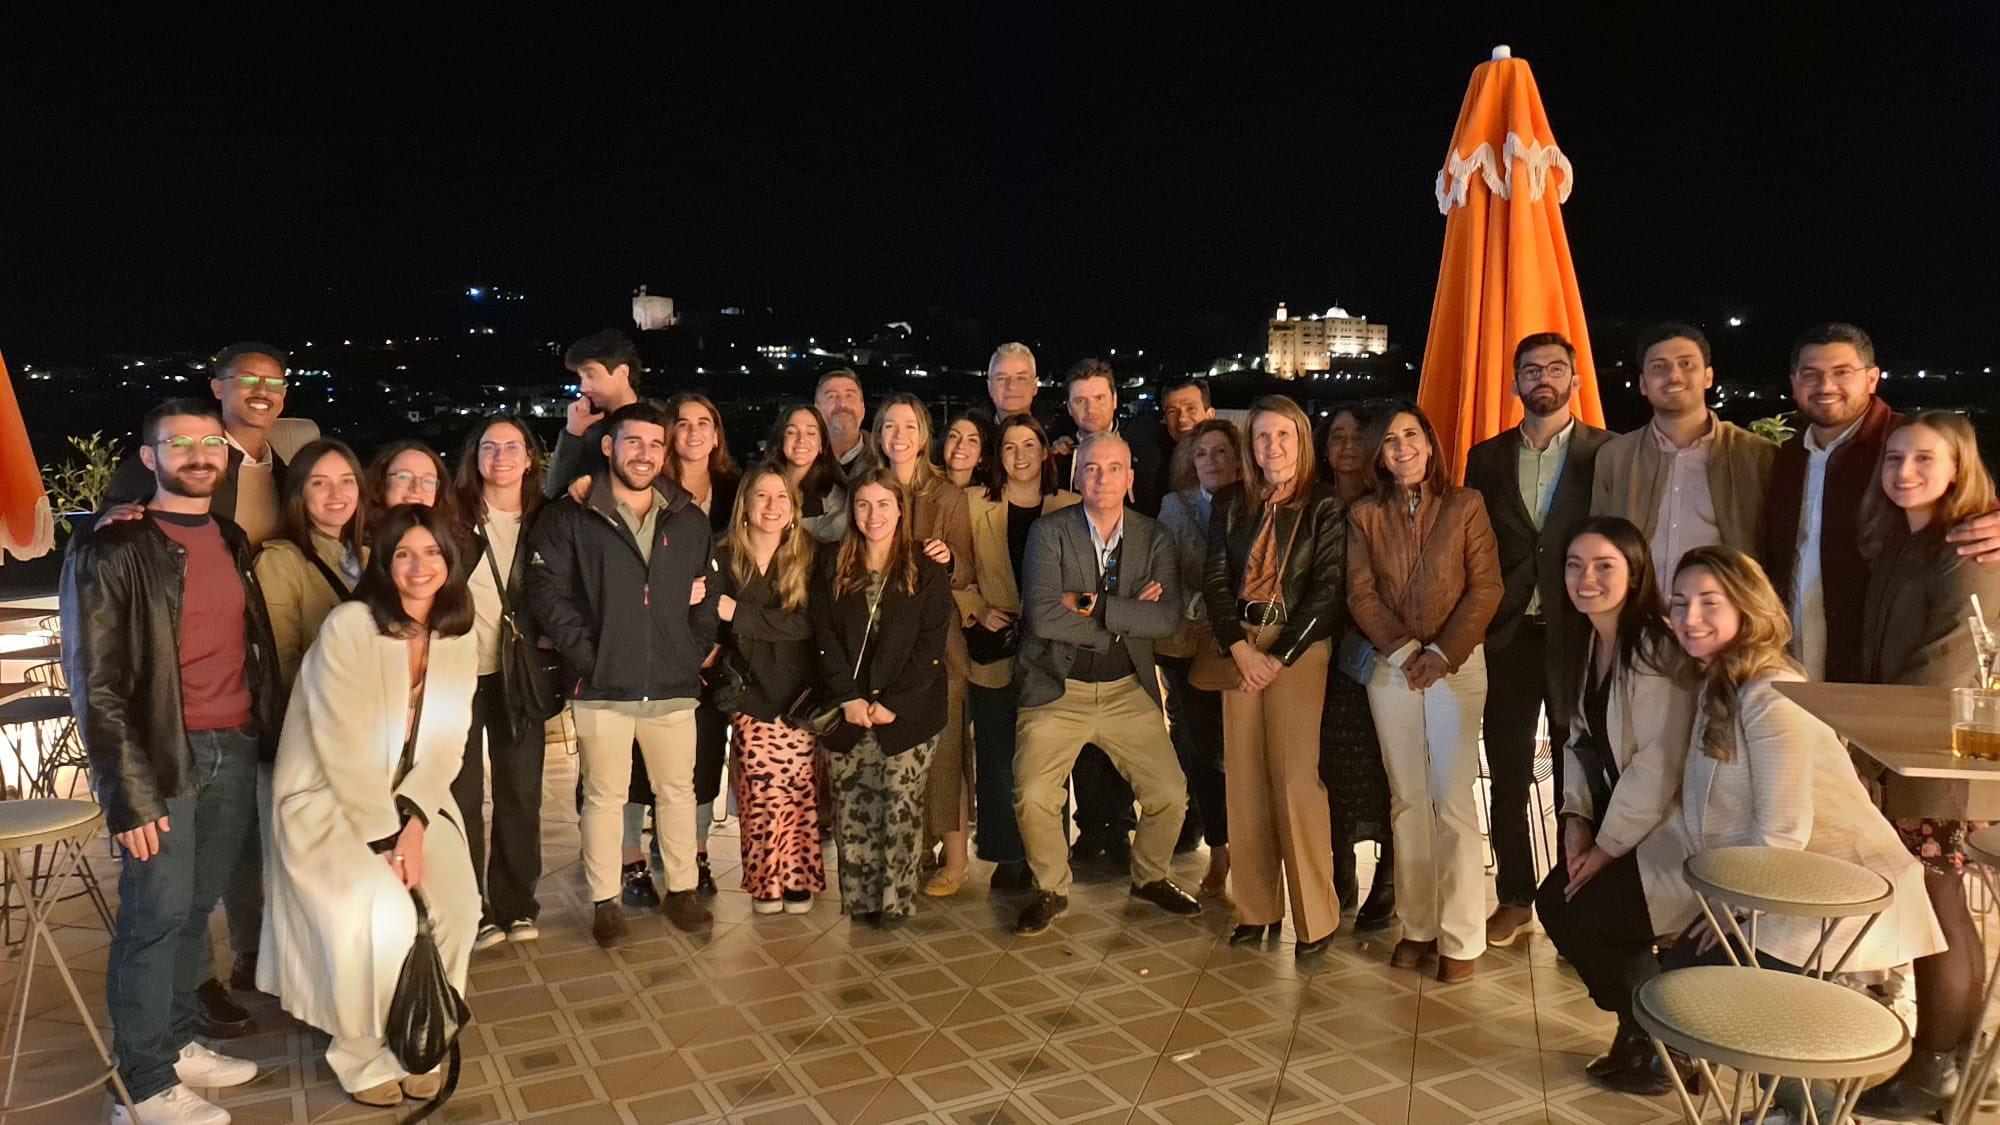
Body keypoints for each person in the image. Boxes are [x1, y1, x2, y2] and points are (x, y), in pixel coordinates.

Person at [63, 398, 280, 1125]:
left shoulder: (228, 536)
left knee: (193, 908)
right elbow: (94, 681)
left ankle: (178, 1040)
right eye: (178, 443)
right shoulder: (113, 546)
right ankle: (139, 1085)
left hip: (233, 742)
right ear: (149, 458)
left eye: (209, 443)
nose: (198, 454)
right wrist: (126, 793)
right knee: (153, 916)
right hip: (161, 755)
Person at [259, 505, 481, 1108]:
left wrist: (416, 824)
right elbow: (343, 746)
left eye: (431, 552)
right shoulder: (350, 627)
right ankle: (358, 1050)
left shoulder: (457, 632)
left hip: (413, 800)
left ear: (449, 560)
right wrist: (388, 837)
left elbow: (448, 741)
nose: (419, 566)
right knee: (381, 914)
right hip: (330, 799)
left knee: (459, 905)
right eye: (403, 554)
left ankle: (422, 1035)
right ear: (383, 564)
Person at [525, 402, 721, 945]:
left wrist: (692, 651)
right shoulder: (571, 516)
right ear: (609, 446)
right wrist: (590, 656)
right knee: (605, 797)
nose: (645, 454)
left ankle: (681, 890)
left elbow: (710, 592)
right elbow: (546, 591)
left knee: (677, 792)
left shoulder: (687, 518)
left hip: (671, 683)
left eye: (655, 444)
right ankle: (605, 900)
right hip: (602, 686)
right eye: (633, 442)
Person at [1852, 413, 2000, 1117]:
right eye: (1894, 458)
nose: (1904, 471)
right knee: (1937, 901)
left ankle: (1937, 1066)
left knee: (1939, 907)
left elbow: (1948, 667)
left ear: (1959, 467)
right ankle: (1955, 1059)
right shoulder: (1906, 543)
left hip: (1937, 755)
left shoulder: (1968, 551)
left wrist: (1862, 742)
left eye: (1924, 459)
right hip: (1909, 753)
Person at [1531, 518, 1700, 1095]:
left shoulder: (1653, 647)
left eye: (1605, 566)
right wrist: (1576, 822)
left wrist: (1605, 848)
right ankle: (1649, 1033)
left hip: (1667, 833)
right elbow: (1577, 740)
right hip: (1618, 825)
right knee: (1563, 902)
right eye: (1575, 565)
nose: (1587, 578)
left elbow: (1658, 765)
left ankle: (1663, 1035)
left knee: (1577, 908)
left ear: (1635, 573)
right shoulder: (1588, 642)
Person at [1011, 432, 1201, 935]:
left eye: (1114, 468)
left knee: (1170, 793)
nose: (1102, 478)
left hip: (1125, 689)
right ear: (1077, 476)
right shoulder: (1049, 533)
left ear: (1130, 478)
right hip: (1058, 688)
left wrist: (1091, 604)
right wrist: (1125, 617)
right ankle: (1051, 889)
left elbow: (1166, 620)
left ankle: (1150, 876)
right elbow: (1043, 617)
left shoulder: (1154, 537)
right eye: (1092, 468)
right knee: (1033, 794)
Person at [1463, 332, 1614, 948]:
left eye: (1555, 369)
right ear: (1515, 383)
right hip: (1508, 635)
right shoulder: (1486, 458)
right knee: (1507, 771)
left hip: (1580, 635)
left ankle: (1579, 901)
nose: (1543, 378)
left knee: (1582, 769)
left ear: (1575, 380)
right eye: (1531, 370)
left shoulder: (1607, 453)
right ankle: (1515, 897)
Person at [1347, 404, 1503, 982]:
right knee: (1407, 798)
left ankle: (1461, 937)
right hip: (1393, 668)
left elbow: (1486, 588)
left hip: (1456, 665)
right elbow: (1361, 594)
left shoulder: (1466, 505)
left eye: (1411, 435)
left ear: (1431, 444)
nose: (1402, 448)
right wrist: (1406, 651)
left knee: (1452, 799)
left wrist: (1439, 654)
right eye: (1389, 440)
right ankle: (1418, 926)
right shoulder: (1364, 515)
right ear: (1379, 455)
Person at [218, 439, 367, 1011]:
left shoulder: (368, 554)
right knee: (293, 867)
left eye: (346, 481)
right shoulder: (281, 559)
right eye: (319, 483)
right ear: (298, 495)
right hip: (302, 739)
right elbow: (279, 661)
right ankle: (296, 983)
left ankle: (335, 972)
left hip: (358, 741)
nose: (336, 495)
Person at [1202, 397, 1346, 963]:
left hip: (1298, 648)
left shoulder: (1324, 504)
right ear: (1250, 445)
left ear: (1302, 439)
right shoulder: (1229, 502)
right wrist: (1239, 649)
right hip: (1240, 644)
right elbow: (1215, 579)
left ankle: (1316, 918)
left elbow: (1328, 589)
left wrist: (1278, 657)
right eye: (1262, 436)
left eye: (1283, 435)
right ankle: (1256, 909)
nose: (1272, 446)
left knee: (1294, 780)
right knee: (1243, 780)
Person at [810, 470, 954, 927]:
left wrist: (894, 703)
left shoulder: (926, 567)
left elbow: (931, 646)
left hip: (909, 712)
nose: (873, 515)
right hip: (848, 709)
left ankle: (895, 903)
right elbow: (823, 637)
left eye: (884, 504)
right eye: (863, 505)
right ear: (852, 510)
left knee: (899, 807)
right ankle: (860, 901)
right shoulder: (832, 564)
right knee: (852, 808)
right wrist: (848, 698)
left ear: (900, 510)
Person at [959, 413, 1079, 894]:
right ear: (998, 456)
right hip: (996, 648)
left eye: (1029, 445)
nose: (1020, 455)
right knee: (996, 756)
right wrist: (978, 609)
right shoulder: (974, 504)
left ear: (1045, 452)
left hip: (1051, 654)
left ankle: (1046, 854)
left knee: (1047, 760)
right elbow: (959, 572)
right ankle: (1007, 856)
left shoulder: (1069, 505)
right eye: (1009, 447)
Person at [871, 394, 979, 896]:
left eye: (909, 426)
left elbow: (968, 570)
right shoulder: (868, 488)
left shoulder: (947, 496)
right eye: (890, 426)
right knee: (896, 751)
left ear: (923, 435)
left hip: (940, 644)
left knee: (945, 752)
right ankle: (909, 850)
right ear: (879, 434)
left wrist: (948, 556)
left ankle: (955, 860)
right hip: (884, 645)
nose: (899, 435)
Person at [452, 415, 553, 948]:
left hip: (519, 675)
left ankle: (516, 903)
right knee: (461, 794)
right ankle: (469, 907)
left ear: (530, 458)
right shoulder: (453, 518)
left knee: (520, 791)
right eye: (490, 447)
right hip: (457, 675)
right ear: (475, 458)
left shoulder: (548, 520)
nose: (501, 457)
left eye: (513, 446)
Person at [1049, 359, 1152, 863]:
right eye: (1079, 400)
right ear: (1068, 407)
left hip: (1134, 604)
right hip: (1071, 614)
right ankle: (1092, 829)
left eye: (1098, 398)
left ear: (1114, 400)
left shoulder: (1140, 453)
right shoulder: (1057, 457)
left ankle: (1121, 825)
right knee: (1078, 732)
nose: (1089, 408)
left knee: (1128, 725)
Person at [1590, 323, 1777, 593]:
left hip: (1724, 613)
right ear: (1643, 384)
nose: (1674, 376)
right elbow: (1598, 546)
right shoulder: (1615, 457)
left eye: (1686, 364)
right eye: (1659, 367)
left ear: (1708, 376)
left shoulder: (1755, 455)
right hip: (1639, 613)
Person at [715, 466, 827, 914]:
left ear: (793, 508)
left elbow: (806, 625)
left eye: (781, 496)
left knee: (798, 792)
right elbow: (709, 619)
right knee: (760, 795)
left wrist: (738, 615)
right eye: (761, 496)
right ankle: (766, 881)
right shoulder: (722, 555)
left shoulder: (811, 555)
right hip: (748, 694)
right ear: (745, 504)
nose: (772, 505)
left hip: (798, 697)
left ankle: (798, 879)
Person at [1318, 407, 1396, 929]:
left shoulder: (1389, 501)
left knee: (1385, 765)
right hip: (1323, 649)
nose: (1346, 445)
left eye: (1356, 436)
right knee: (1330, 766)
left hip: (1382, 646)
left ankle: (1390, 877)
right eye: (1337, 436)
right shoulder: (1313, 501)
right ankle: (1340, 869)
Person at [1156, 418, 1237, 896]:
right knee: (1204, 754)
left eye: (1222, 451)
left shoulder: (1257, 502)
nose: (1211, 461)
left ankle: (1255, 854)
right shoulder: (1175, 505)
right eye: (1202, 453)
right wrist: (1213, 606)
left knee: (1245, 754)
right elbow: (1168, 575)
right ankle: (1220, 853)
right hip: (1192, 646)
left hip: (1248, 647)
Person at [105, 342, 293, 548]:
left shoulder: (284, 473)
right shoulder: (180, 459)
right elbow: (107, 523)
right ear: (217, 388)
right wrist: (102, 523)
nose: (262, 391)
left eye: (274, 383)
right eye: (247, 380)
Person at [665, 392, 740, 895]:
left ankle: (696, 852)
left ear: (716, 435)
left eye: (703, 423)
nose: (693, 432)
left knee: (706, 754)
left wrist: (715, 639)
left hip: (719, 646)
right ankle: (653, 848)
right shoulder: (650, 488)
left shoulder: (736, 490)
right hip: (659, 644)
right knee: (653, 757)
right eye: (683, 423)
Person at [546, 328, 644, 497]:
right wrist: (572, 433)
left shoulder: (660, 421)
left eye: (590, 375)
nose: (583, 387)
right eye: (581, 378)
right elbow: (554, 492)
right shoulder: (588, 428)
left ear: (622, 372)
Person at [762, 403, 849, 543]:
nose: (801, 440)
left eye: (811, 433)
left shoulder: (833, 496)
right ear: (781, 439)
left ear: (821, 444)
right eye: (791, 432)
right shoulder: (760, 485)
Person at [367, 440, 455, 525]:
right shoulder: (362, 533)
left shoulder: (449, 533)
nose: (417, 488)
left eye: (428, 480)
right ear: (382, 481)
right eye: (404, 477)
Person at [815, 368, 876, 480]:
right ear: (817, 410)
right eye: (831, 397)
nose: (842, 404)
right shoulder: (800, 461)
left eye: (850, 396)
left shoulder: (885, 461)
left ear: (863, 409)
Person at [984, 341, 1043, 423]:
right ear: (990, 387)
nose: (1011, 386)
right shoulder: (971, 429)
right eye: (1002, 378)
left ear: (1034, 386)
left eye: (1021, 378)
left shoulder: (1052, 430)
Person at [942, 410, 994, 491]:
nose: (960, 445)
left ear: (982, 455)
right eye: (953, 436)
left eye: (972, 440)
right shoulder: (924, 488)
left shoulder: (989, 495)